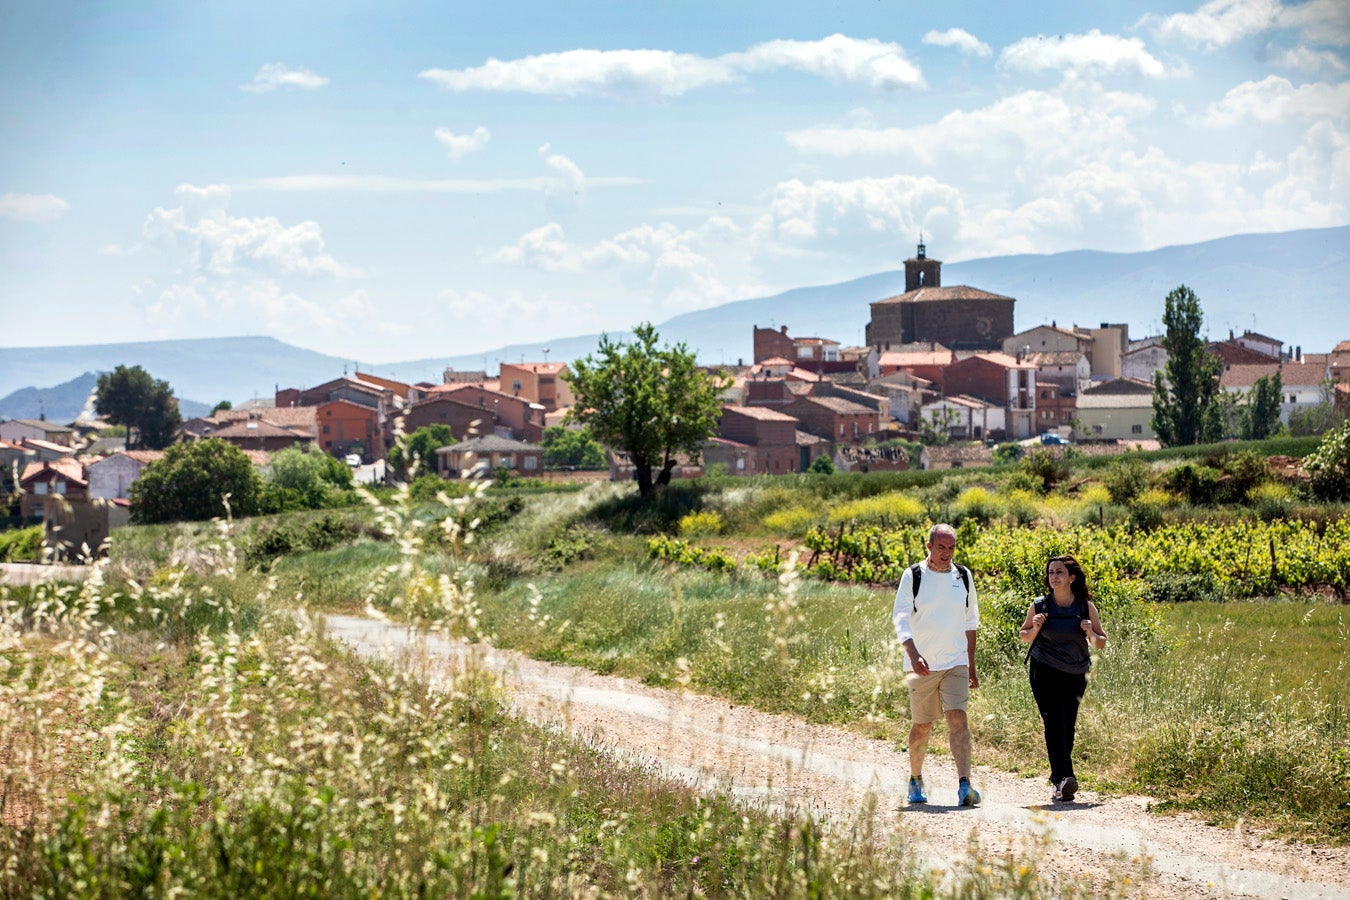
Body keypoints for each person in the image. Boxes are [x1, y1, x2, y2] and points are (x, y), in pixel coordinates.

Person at [892, 523, 981, 807]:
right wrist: (913, 652)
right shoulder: (914, 575)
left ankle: (964, 785)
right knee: (923, 724)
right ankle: (916, 780)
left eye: (951, 547)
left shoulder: (964, 576)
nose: (947, 553)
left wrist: (971, 665)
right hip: (922, 665)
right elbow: (901, 617)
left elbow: (971, 623)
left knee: (958, 718)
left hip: (955, 661)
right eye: (941, 547)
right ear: (929, 546)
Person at [1018, 554, 1108, 803]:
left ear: (1072, 577)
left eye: (1059, 572)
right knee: (1053, 721)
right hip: (1043, 669)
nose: (1054, 577)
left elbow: (1100, 643)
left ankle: (1061, 780)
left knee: (1068, 724)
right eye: (1051, 573)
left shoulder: (1084, 607)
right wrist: (1034, 627)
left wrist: (1090, 631)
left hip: (1076, 673)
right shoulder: (1040, 605)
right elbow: (1024, 635)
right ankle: (1063, 778)